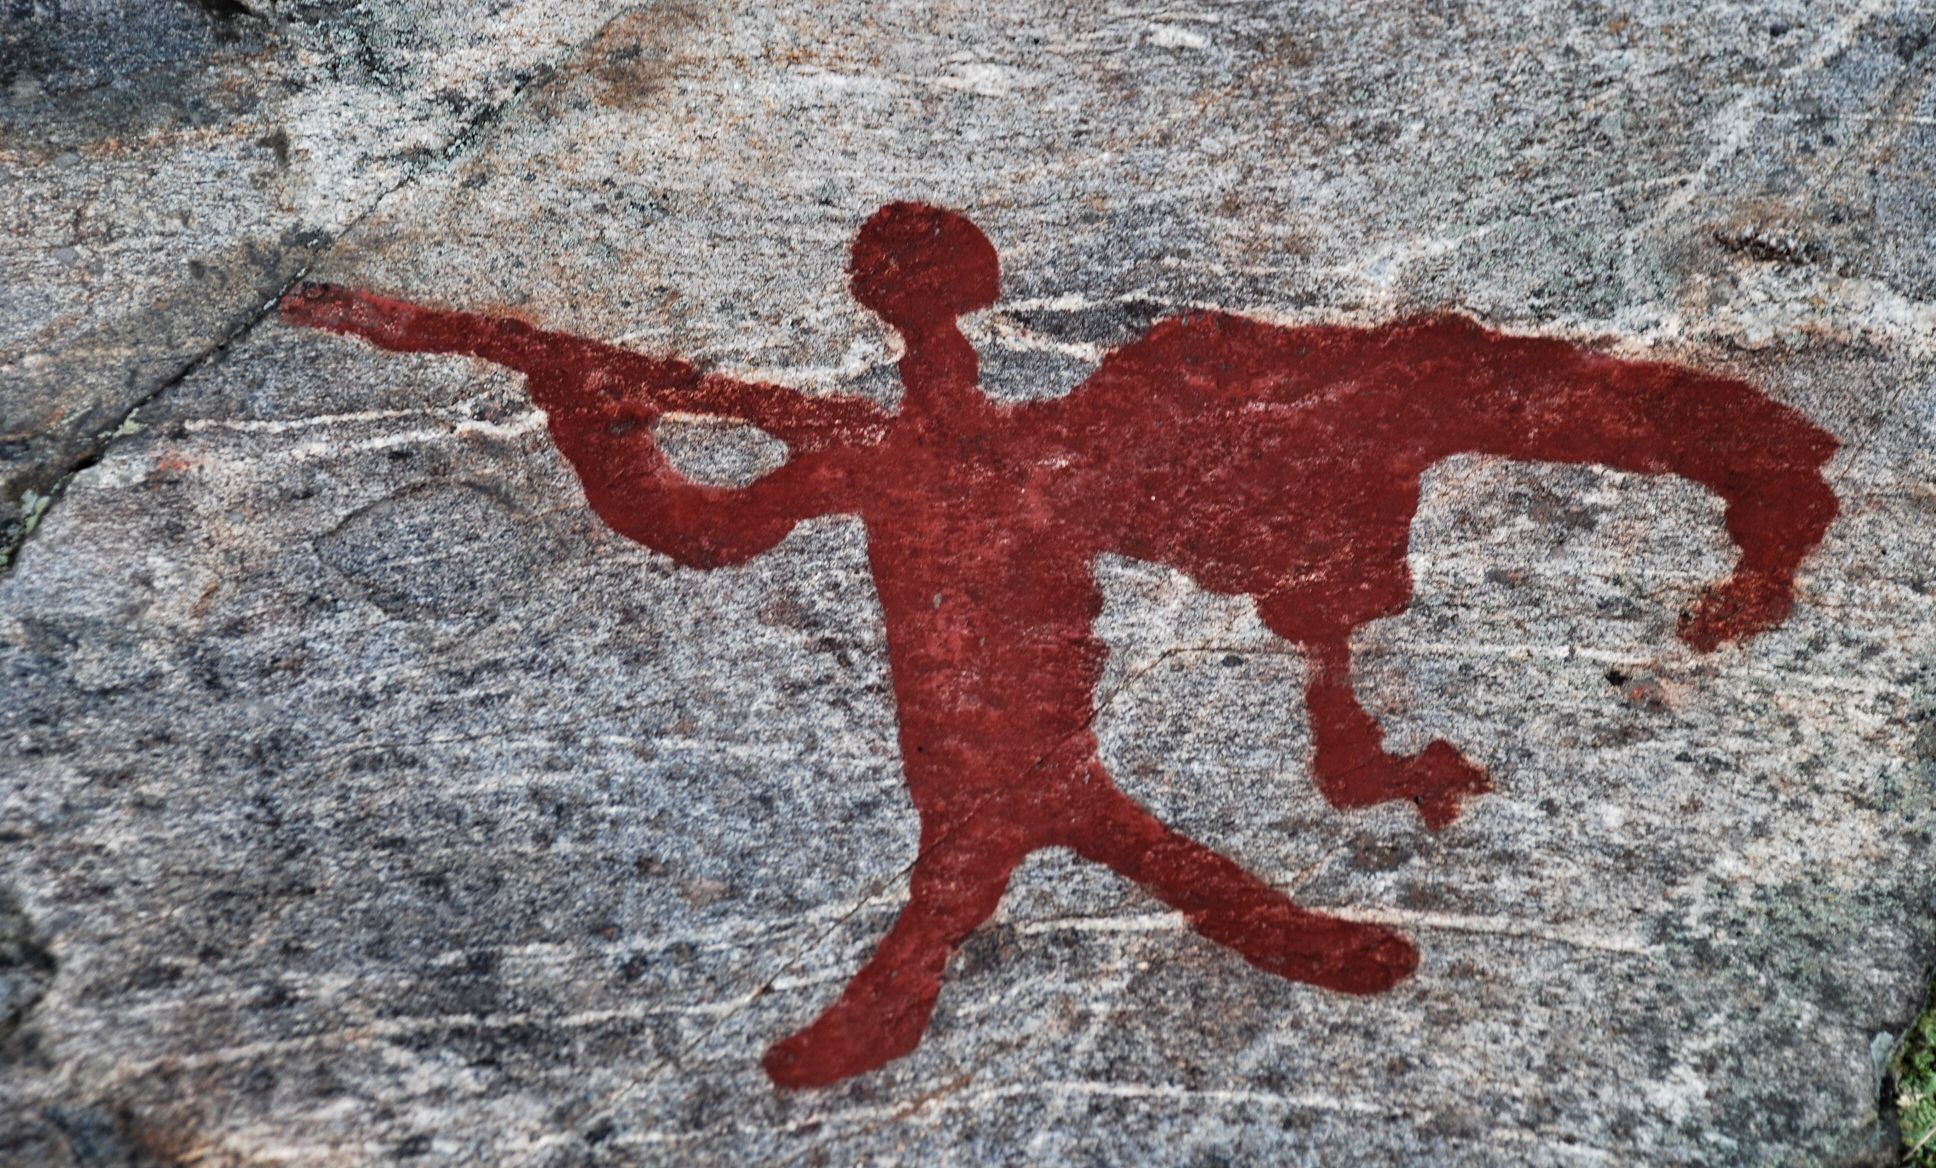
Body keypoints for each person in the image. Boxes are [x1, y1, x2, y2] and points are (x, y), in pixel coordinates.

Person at [283, 201, 1839, 1086]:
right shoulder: (912, 454)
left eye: (931, 317)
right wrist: (592, 416)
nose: (938, 350)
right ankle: (1217, 940)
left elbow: (697, 527)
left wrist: (592, 417)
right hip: (995, 730)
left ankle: (933, 979)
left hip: (1009, 727)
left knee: (1016, 831)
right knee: (1050, 824)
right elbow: (700, 530)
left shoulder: (969, 450)